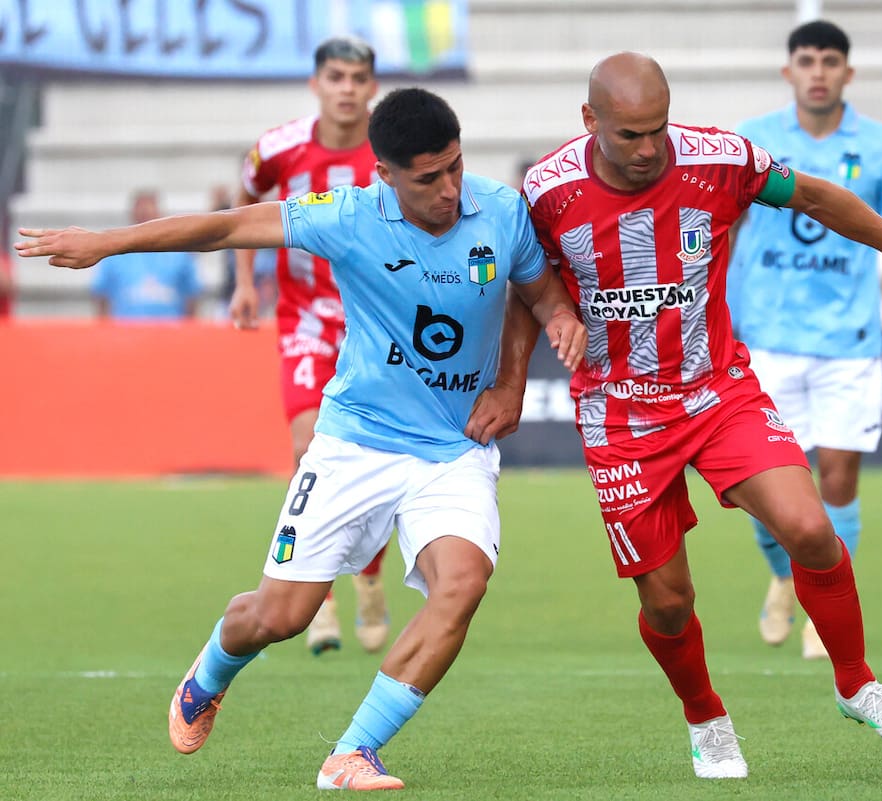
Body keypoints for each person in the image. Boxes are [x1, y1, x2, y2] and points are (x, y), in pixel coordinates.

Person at [15, 86, 587, 791]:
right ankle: (209, 673)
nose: (450, 189)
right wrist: (109, 244)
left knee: (463, 584)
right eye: (429, 177)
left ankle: (352, 751)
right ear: (385, 175)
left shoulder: (499, 211)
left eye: (456, 167)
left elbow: (541, 292)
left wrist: (521, 371)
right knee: (276, 616)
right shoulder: (346, 216)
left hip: (453, 449)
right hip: (356, 443)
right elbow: (225, 228)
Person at [518, 51, 882, 777]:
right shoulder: (546, 190)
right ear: (589, 120)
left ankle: (856, 682)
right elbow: (525, 284)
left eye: (657, 130)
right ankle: (706, 717)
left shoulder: (720, 161)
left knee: (811, 528)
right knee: (669, 603)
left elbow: (818, 197)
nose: (647, 149)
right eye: (629, 134)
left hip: (716, 391)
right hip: (620, 415)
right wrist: (522, 366)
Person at [726, 21, 882, 658]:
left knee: (837, 482)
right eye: (806, 60)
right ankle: (786, 577)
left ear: (848, 73)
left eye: (829, 61)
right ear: (789, 71)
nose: (818, 71)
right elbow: (718, 235)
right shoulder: (755, 140)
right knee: (765, 493)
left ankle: (822, 605)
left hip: (850, 341)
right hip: (764, 340)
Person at [231, 36, 389, 656]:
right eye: (335, 77)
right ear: (315, 84)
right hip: (305, 319)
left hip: (375, 323)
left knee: (370, 455)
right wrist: (246, 282)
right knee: (307, 448)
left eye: (358, 78)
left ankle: (370, 579)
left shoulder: (392, 146)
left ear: (372, 87)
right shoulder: (278, 148)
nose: (347, 89)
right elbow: (244, 200)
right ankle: (318, 598)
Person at [91, 190, 200, 320]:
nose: (145, 214)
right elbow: (102, 297)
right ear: (132, 213)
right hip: (126, 333)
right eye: (140, 209)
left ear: (159, 212)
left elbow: (191, 297)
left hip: (169, 332)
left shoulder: (179, 251)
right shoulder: (114, 251)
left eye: (149, 209)